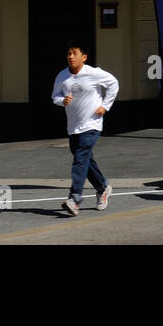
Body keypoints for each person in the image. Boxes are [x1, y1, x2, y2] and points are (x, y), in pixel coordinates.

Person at [51, 40, 118, 215]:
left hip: (92, 124)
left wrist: (105, 106)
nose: (70, 57)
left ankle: (74, 199)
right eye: (68, 54)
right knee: (85, 160)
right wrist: (61, 101)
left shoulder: (94, 73)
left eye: (74, 53)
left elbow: (113, 83)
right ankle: (103, 187)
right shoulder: (62, 76)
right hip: (73, 126)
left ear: (84, 57)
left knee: (80, 159)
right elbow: (55, 96)